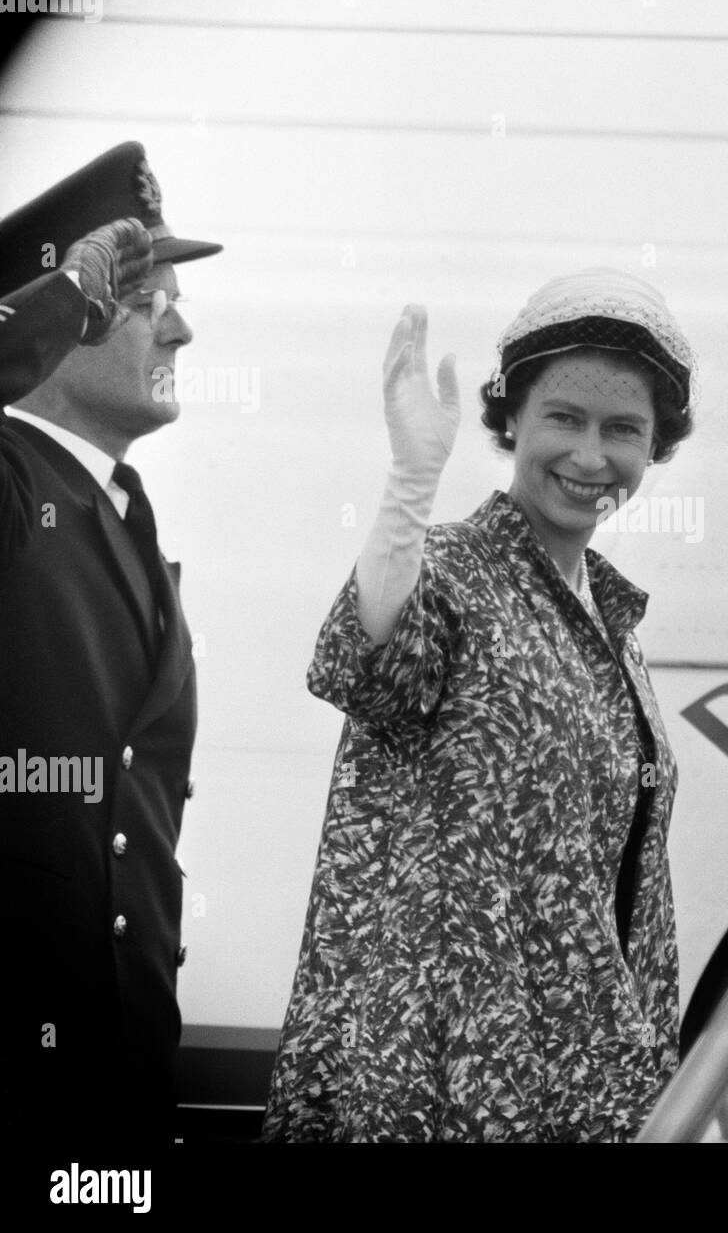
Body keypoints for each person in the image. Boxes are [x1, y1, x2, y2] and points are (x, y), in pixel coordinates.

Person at [263, 268, 695, 1142]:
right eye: (563, 418)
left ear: (654, 450)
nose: (589, 456)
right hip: (443, 1080)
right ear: (512, 423)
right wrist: (409, 486)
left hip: (581, 1081)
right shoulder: (454, 571)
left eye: (623, 430)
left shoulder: (609, 616)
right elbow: (366, 660)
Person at [0, 141, 222, 1141]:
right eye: (142, 301)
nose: (181, 323)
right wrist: (48, 310)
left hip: (112, 1091)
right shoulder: (12, 486)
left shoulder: (114, 504)